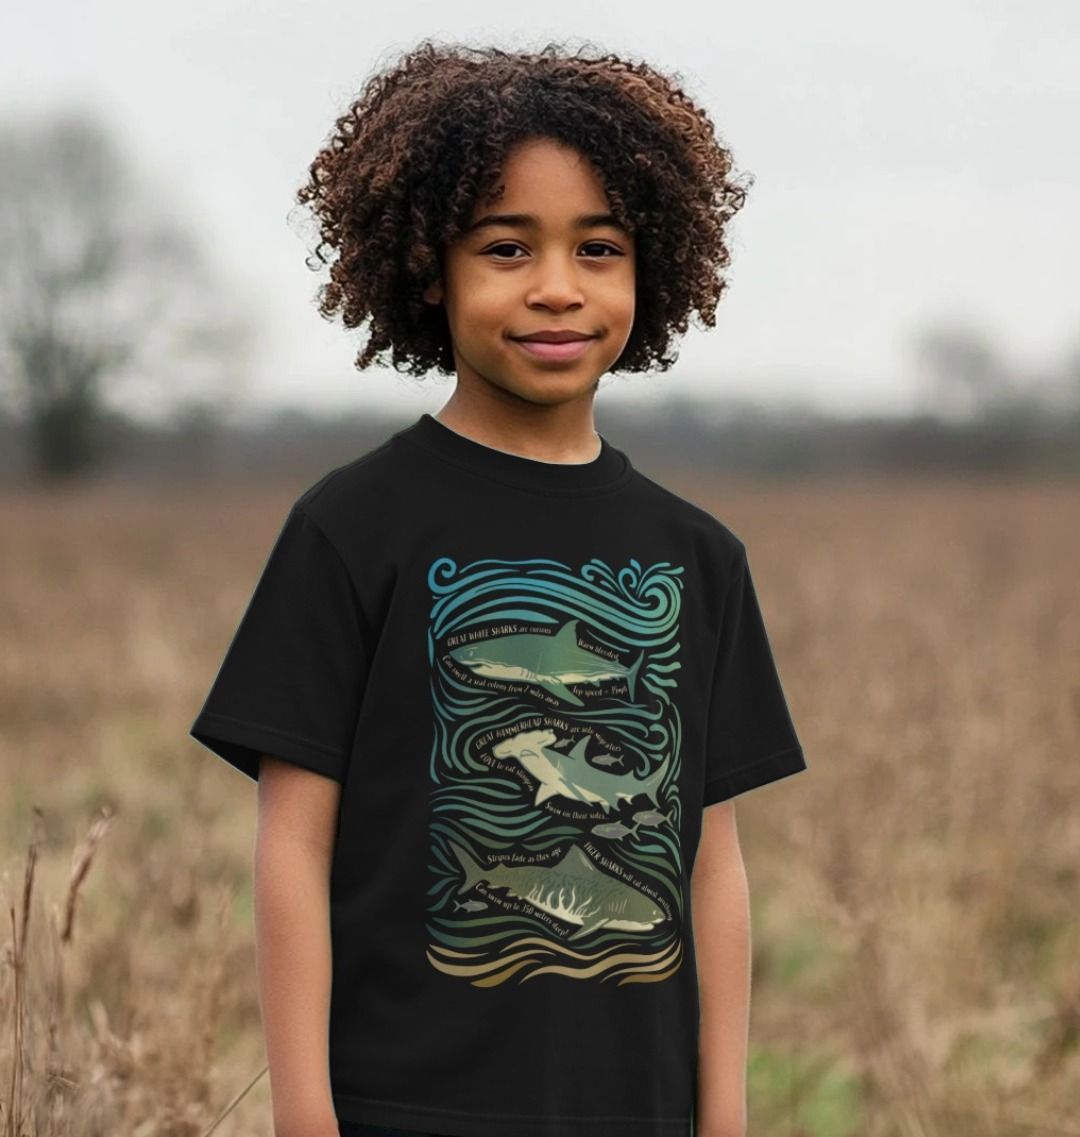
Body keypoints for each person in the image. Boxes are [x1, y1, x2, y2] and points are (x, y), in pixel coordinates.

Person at [189, 37, 807, 1137]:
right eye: (508, 248)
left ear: (649, 270)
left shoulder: (699, 556)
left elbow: (714, 863)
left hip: (641, 1110)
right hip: (404, 1106)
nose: (558, 289)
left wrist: (725, 1116)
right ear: (431, 269)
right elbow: (293, 847)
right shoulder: (349, 530)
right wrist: (304, 1118)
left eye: (599, 248)